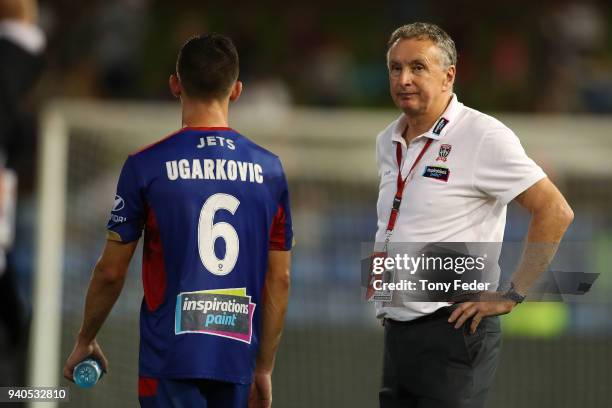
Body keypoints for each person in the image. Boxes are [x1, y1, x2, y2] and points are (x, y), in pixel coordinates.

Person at [63, 34, 293, 408]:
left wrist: (85, 338)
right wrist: (263, 367)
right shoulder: (270, 170)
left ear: (175, 84)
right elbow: (279, 278)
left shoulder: (146, 165)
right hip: (236, 360)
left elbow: (111, 272)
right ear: (236, 91)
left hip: (170, 358)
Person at [372, 23, 573, 408]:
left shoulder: (483, 135)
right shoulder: (388, 140)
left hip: (456, 329)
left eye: (417, 67)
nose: (404, 79)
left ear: (449, 76)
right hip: (398, 331)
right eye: (395, 68)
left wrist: (513, 294)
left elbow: (555, 210)